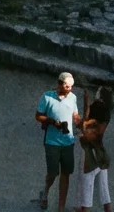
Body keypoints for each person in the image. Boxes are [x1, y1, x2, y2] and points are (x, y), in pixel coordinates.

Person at [36, 71, 80, 212]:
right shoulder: (47, 97)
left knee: (66, 174)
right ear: (60, 84)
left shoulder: (73, 98)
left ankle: (61, 207)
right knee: (53, 173)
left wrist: (82, 122)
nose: (70, 89)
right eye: (67, 87)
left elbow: (75, 116)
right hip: (52, 142)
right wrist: (51, 121)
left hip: (68, 142)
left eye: (71, 87)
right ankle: (45, 192)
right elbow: (38, 116)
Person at [74, 85, 114, 209]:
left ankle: (84, 210)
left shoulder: (94, 111)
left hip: (89, 154)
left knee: (86, 186)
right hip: (100, 152)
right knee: (104, 190)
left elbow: (84, 125)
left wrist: (86, 102)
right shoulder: (106, 114)